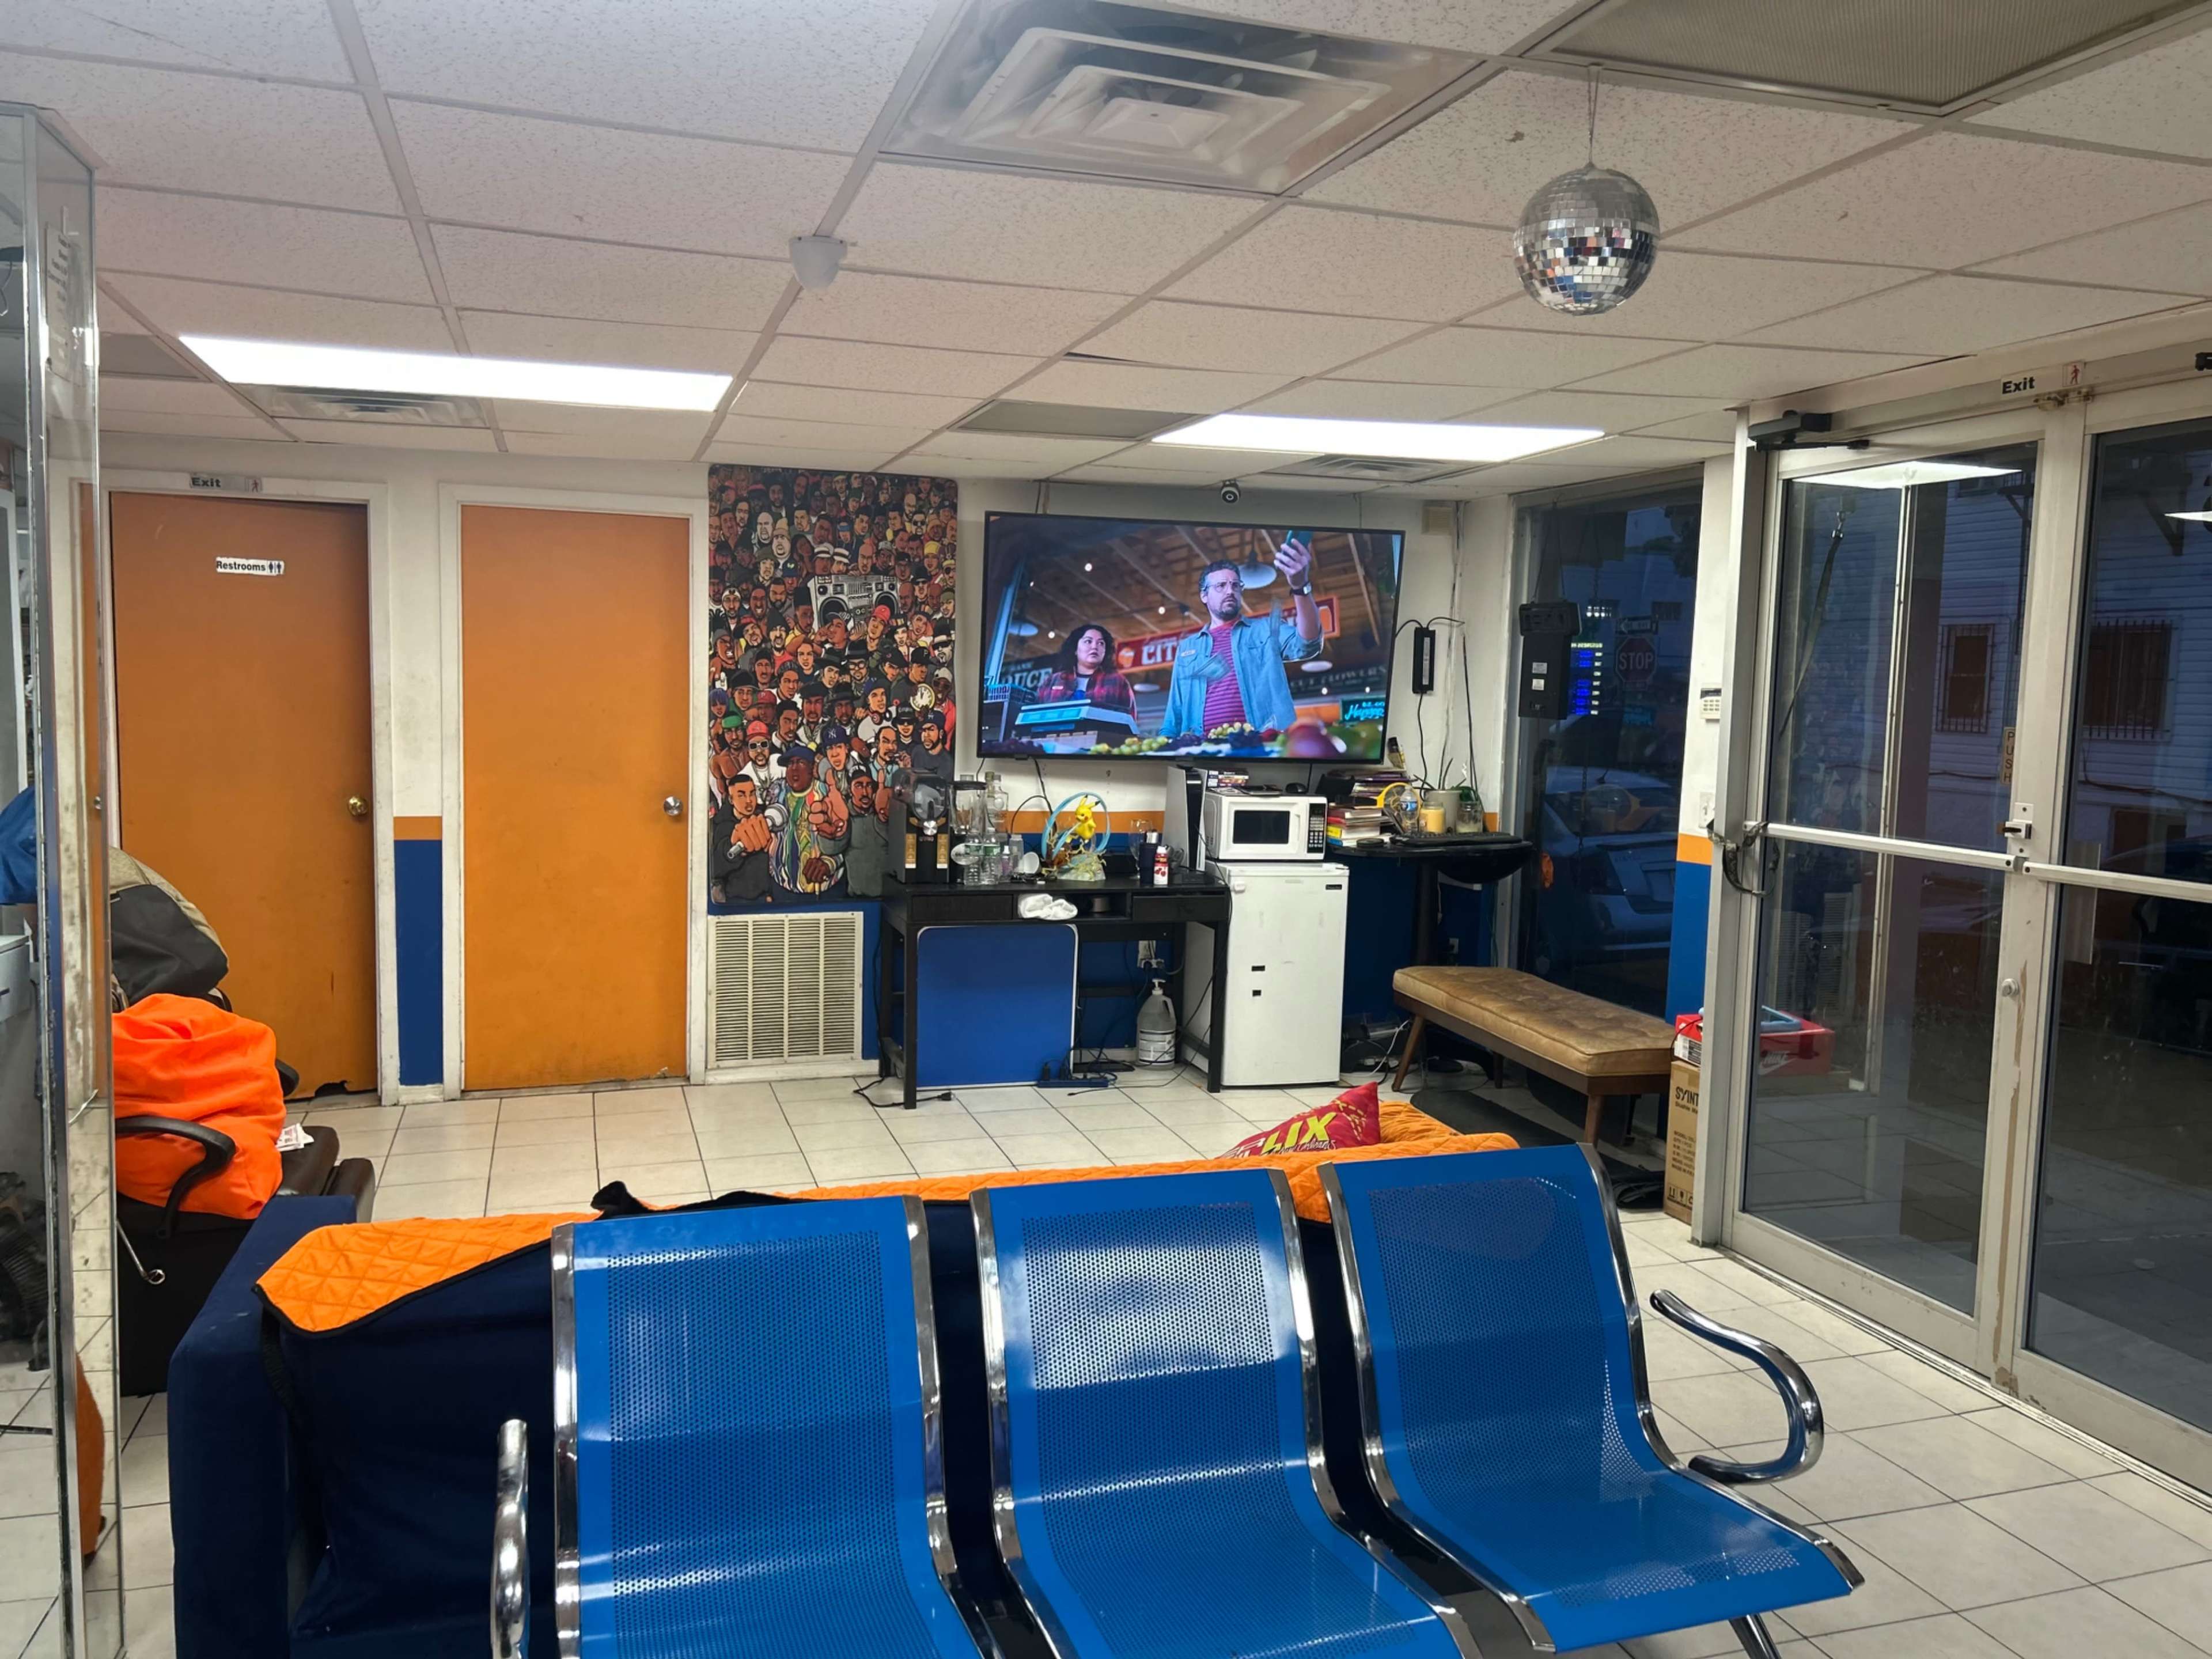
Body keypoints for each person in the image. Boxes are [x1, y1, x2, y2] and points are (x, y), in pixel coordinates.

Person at [1160, 541, 1322, 740]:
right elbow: (1174, 712)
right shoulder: (1187, 648)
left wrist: (1300, 587)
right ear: (1204, 596)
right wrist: (1164, 747)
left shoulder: (1267, 629)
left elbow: (1309, 644)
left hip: (1262, 748)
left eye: (1235, 585)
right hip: (1201, 751)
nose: (1230, 591)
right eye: (1221, 586)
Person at [769, 745, 849, 897]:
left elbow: (844, 839)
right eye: (790, 764)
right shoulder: (777, 793)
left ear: (812, 768)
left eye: (800, 763)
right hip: (783, 887)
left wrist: (829, 863)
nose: (794, 769)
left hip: (824, 889)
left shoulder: (828, 795)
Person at [1032, 622, 1138, 715]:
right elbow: (1034, 715)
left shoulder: (1118, 681)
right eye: (1088, 641)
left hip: (1100, 738)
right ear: (1075, 649)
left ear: (1105, 652)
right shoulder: (1052, 681)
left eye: (1101, 643)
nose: (1095, 647)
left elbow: (1130, 720)